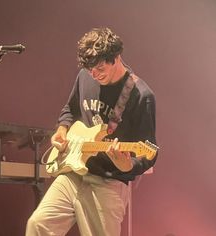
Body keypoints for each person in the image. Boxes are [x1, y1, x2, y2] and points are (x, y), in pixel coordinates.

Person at [26, 27, 157, 236]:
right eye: (89, 70)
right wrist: (62, 129)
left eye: (99, 68)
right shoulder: (85, 76)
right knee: (37, 225)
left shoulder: (141, 95)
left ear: (116, 57)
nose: (94, 75)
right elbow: (70, 109)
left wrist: (126, 164)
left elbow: (149, 153)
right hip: (73, 172)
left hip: (109, 181)